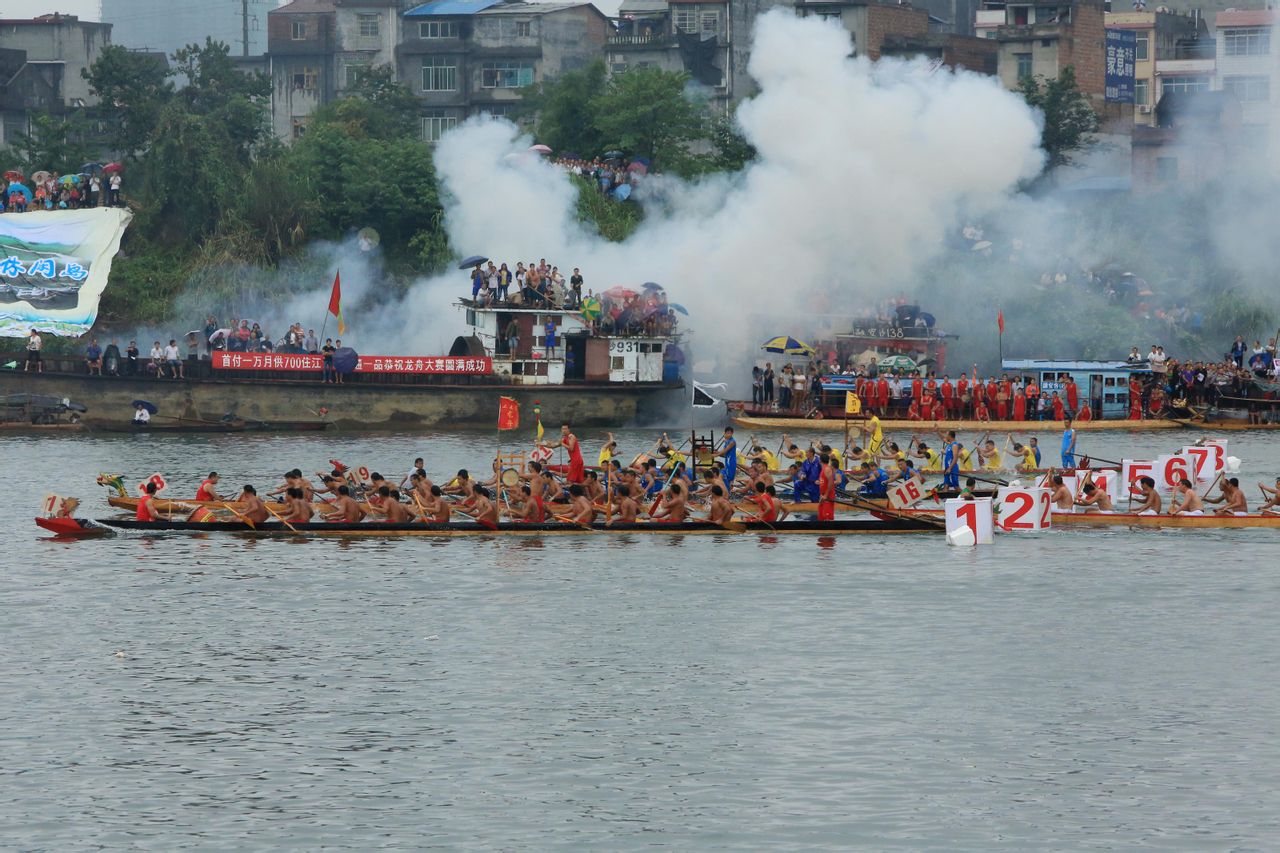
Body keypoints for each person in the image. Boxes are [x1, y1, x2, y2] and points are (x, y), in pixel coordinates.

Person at [817, 453, 837, 520]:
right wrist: (819, 482)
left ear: (820, 460)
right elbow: (825, 481)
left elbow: (831, 483)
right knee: (821, 517)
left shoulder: (827, 469)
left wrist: (826, 495)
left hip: (828, 496)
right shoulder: (823, 469)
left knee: (827, 518)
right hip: (823, 496)